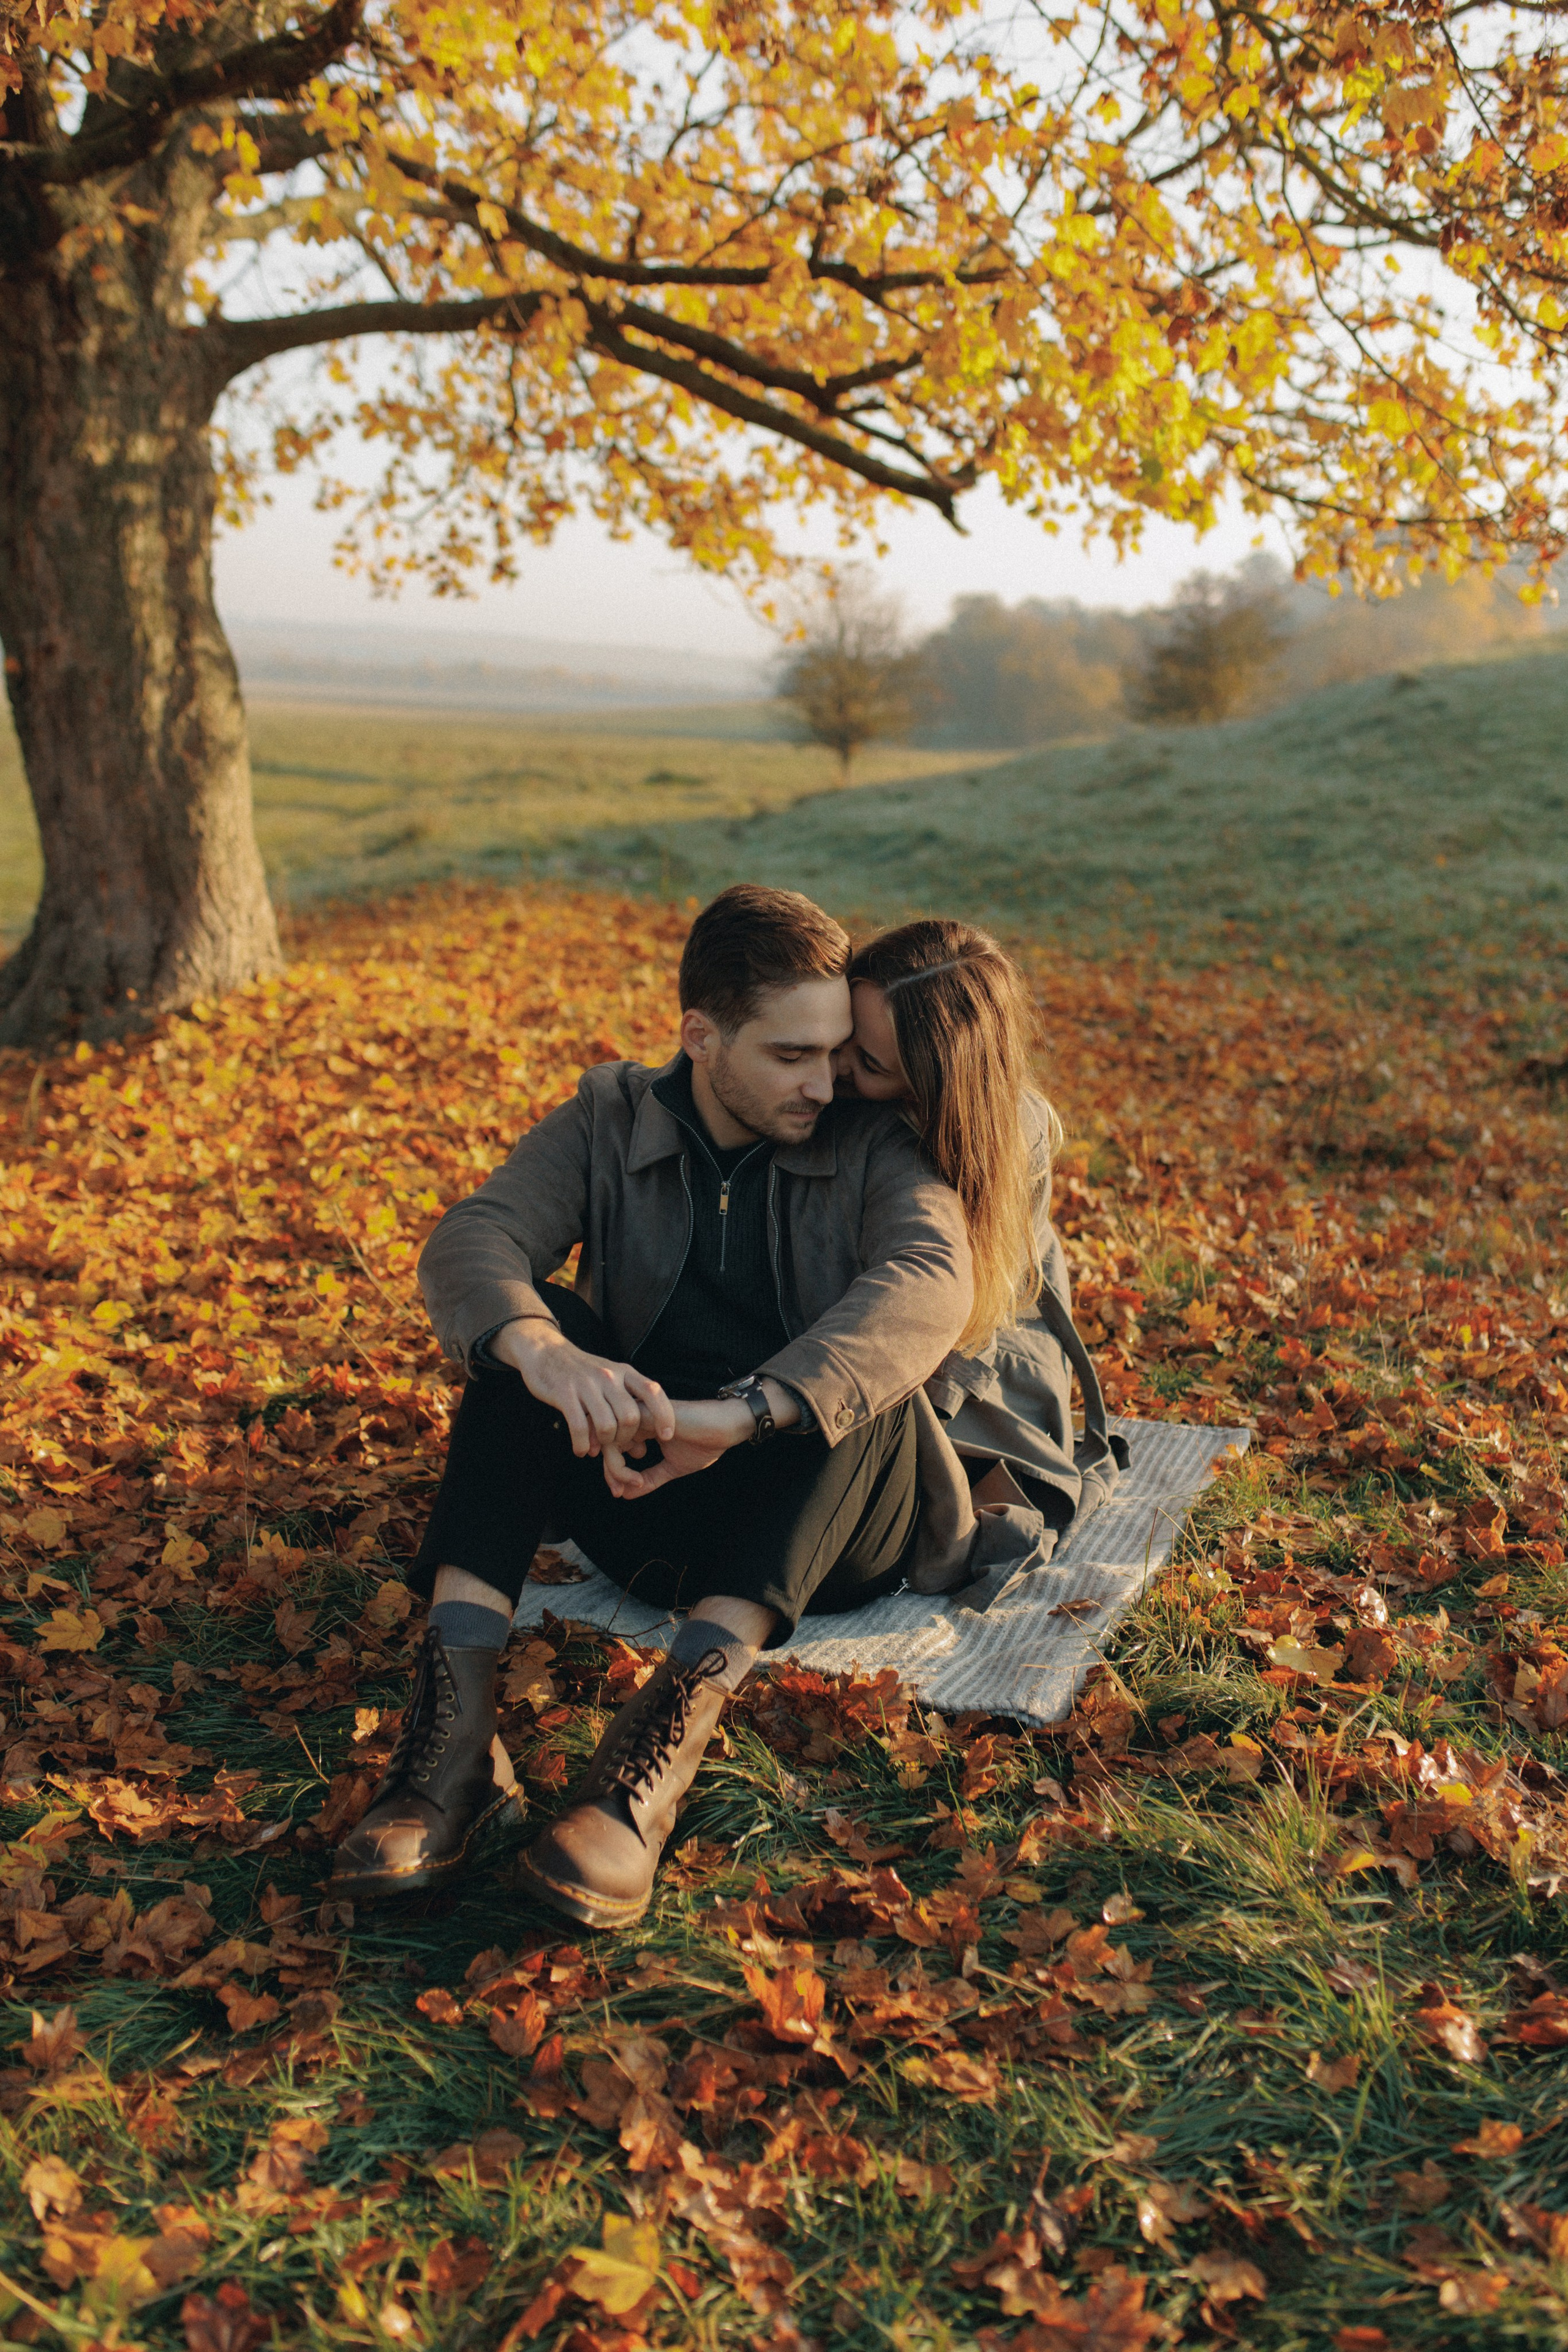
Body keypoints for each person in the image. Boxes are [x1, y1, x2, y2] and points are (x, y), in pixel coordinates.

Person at [329, 884, 974, 1929]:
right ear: (702, 1037)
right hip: (643, 1493)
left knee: (865, 1384)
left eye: (834, 1051)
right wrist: (544, 1355)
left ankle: (652, 1762)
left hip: (821, 1533)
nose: (826, 1082)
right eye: (791, 1055)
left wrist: (749, 1412)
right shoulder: (612, 1114)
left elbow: (930, 1283)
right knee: (530, 1337)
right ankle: (451, 1755)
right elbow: (473, 1239)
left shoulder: (868, 1143)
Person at [835, 918, 1123, 1576]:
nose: (838, 1066)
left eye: (871, 1064)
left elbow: (961, 1328)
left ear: (931, 1084)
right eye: (842, 1036)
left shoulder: (1006, 1138)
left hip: (975, 1363)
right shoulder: (832, 1091)